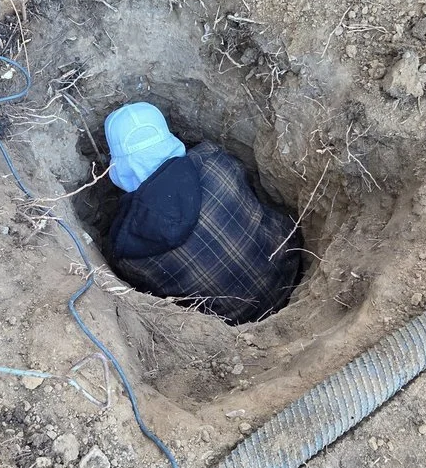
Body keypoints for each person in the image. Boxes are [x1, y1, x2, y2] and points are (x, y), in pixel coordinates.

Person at [104, 102, 301, 324]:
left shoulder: (127, 250)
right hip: (291, 270)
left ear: (119, 167)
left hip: (236, 324)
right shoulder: (215, 162)